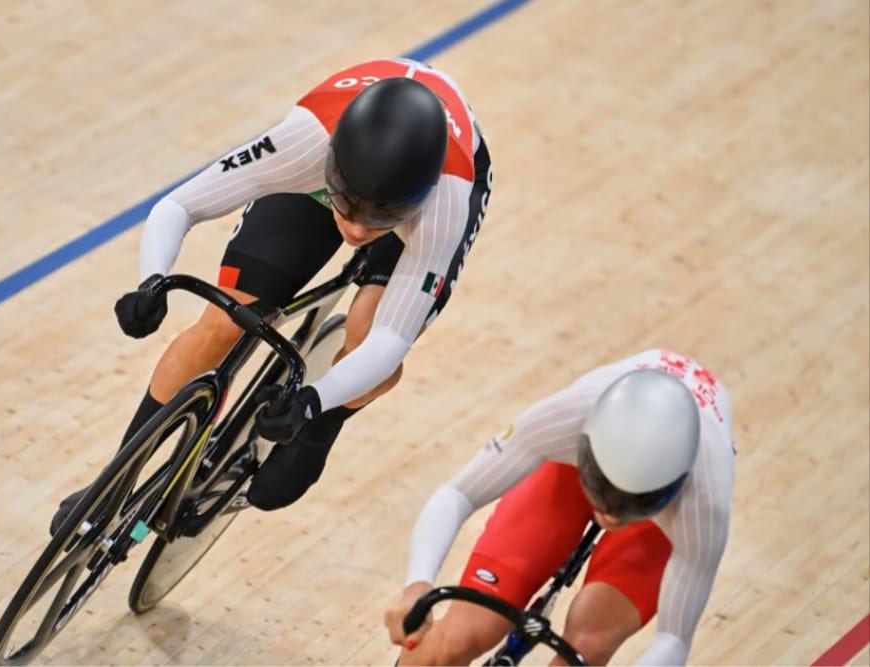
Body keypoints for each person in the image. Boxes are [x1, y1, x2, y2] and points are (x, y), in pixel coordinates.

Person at [50, 58, 493, 533]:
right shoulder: (302, 142)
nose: (359, 230)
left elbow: (390, 343)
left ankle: (329, 424)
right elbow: (179, 206)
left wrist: (316, 405)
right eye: (348, 207)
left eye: (380, 219)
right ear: (331, 166)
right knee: (224, 319)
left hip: (435, 192)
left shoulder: (445, 202)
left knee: (367, 336)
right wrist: (152, 280)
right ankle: (118, 477)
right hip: (320, 178)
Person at [384, 349, 735, 666]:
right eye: (603, 491)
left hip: (657, 522)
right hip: (570, 473)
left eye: (629, 505)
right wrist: (417, 586)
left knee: (587, 647)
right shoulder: (566, 417)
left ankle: (620, 496)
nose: (609, 516)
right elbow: (458, 494)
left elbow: (672, 640)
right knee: (460, 637)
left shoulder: (705, 501)